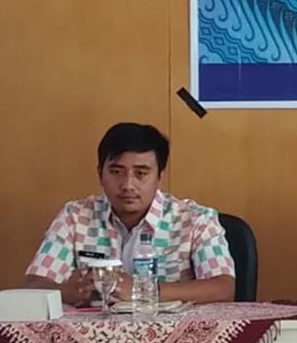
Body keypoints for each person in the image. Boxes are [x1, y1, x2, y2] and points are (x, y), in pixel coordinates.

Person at [23, 123, 236, 306]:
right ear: (100, 175)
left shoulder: (196, 220)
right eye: (116, 172)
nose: (128, 185)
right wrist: (66, 292)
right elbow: (33, 285)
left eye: (141, 174)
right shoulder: (75, 217)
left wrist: (142, 290)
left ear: (159, 177)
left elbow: (223, 288)